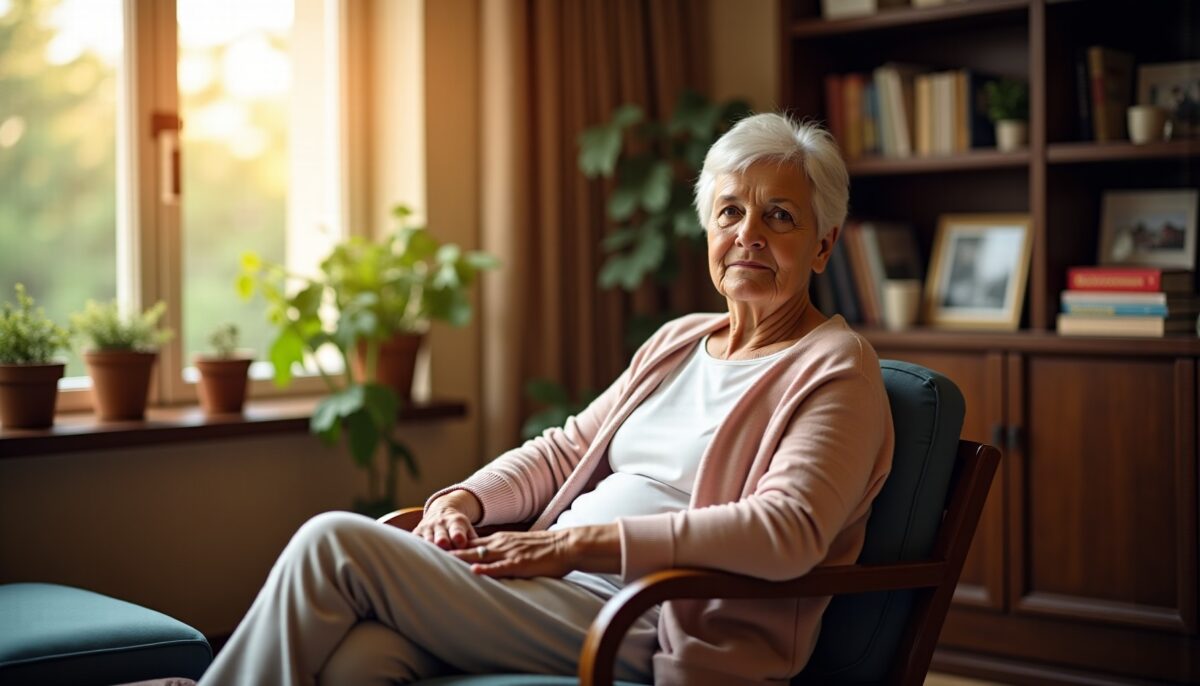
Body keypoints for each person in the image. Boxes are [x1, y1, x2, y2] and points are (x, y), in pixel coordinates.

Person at [199, 112, 894, 686]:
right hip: (558, 587)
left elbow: (785, 531)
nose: (748, 235)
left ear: (823, 245)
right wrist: (464, 500)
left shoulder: (836, 368)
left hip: (652, 617)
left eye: (779, 216)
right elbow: (566, 448)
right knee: (361, 663)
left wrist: (570, 545)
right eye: (730, 212)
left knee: (333, 543)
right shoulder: (681, 340)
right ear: (709, 231)